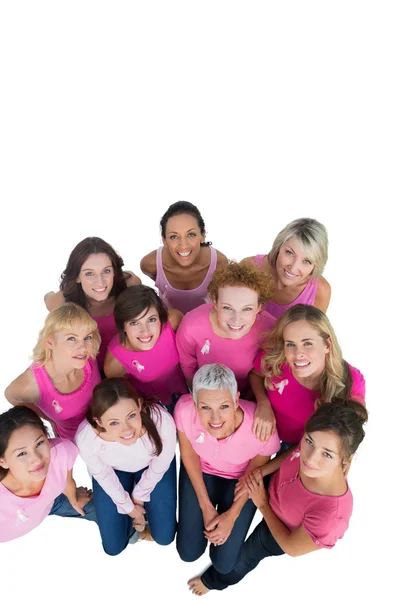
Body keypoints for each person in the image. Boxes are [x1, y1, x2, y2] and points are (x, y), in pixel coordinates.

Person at [188, 398, 368, 594]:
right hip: (271, 489)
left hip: (280, 528)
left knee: (245, 557)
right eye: (309, 441)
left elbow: (291, 547)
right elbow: (295, 452)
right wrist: (262, 471)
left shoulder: (331, 517)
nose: (310, 458)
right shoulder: (312, 446)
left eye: (327, 454)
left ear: (347, 460)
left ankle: (212, 581)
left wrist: (263, 504)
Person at [175, 364, 280, 576]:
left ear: (235, 400)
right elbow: (188, 455)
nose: (215, 419)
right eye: (205, 407)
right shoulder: (184, 409)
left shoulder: (260, 429)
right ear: (194, 403)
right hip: (201, 470)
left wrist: (231, 516)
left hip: (240, 480)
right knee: (187, 553)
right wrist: (205, 507)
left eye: (223, 406)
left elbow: (255, 473)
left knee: (224, 565)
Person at [75, 378, 177, 555]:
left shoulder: (161, 420)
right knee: (113, 547)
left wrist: (138, 496)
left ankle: (147, 517)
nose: (127, 429)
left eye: (131, 416)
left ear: (138, 405)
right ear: (99, 422)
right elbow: (103, 475)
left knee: (165, 537)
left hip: (152, 467)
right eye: (114, 422)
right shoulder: (86, 438)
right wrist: (130, 509)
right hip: (114, 472)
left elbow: (162, 462)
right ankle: (133, 523)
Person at [250, 304, 365, 444]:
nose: (298, 354)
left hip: (307, 448)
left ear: (327, 345)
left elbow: (339, 443)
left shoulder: (351, 382)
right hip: (267, 435)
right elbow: (255, 375)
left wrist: (265, 467)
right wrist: (263, 403)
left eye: (307, 344)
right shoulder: (278, 358)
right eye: (290, 344)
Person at [176, 262, 275, 395]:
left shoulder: (270, 329)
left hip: (248, 394)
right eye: (227, 308)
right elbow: (187, 367)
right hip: (206, 394)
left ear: (259, 307)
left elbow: (269, 370)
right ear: (215, 303)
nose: (236, 319)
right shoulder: (191, 326)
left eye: (247, 309)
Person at [5, 303, 101, 441]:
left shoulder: (90, 355)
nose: (83, 347)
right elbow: (11, 395)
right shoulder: (31, 384)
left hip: (108, 432)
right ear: (50, 342)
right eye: (71, 338)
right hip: (74, 442)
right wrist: (47, 418)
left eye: (87, 337)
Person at [0, 406, 96, 543]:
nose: (37, 459)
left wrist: (74, 498)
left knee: (109, 515)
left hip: (51, 502)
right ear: (3, 462)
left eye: (39, 443)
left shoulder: (61, 452)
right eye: (22, 453)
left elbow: (66, 479)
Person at [44, 236, 141, 370]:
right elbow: (48, 299)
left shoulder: (129, 284)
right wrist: (50, 295)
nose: (100, 282)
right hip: (87, 369)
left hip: (127, 366)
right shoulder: (64, 300)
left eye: (106, 271)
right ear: (77, 276)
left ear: (114, 272)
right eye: (89, 274)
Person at [104, 285, 187, 414]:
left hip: (186, 387)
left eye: (151, 319)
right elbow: (124, 398)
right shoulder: (115, 362)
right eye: (134, 323)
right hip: (153, 406)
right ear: (123, 326)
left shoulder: (173, 320)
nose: (145, 331)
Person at [140, 201, 228, 314]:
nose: (183, 245)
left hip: (205, 326)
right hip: (170, 326)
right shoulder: (150, 265)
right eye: (174, 236)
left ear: (203, 236)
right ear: (164, 240)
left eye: (191, 235)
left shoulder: (219, 263)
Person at [241, 218, 331, 316]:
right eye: (289, 253)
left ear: (316, 265)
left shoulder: (320, 292)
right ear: (279, 247)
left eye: (307, 261)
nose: (293, 268)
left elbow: (315, 331)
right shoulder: (250, 267)